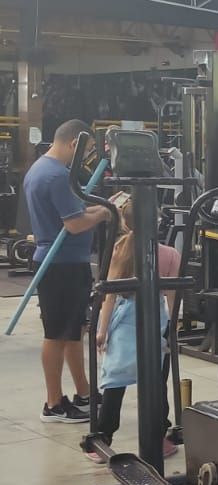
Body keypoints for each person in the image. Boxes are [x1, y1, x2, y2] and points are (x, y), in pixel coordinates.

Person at [25, 119, 113, 423]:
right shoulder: (58, 176)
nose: (86, 156)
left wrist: (102, 208)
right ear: (75, 144)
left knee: (73, 331)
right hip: (60, 265)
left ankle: (84, 392)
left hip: (66, 263)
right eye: (86, 150)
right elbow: (74, 224)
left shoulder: (41, 169)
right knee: (57, 334)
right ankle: (53, 404)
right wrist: (104, 213)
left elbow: (75, 211)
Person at [88, 194, 182, 463]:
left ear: (125, 223)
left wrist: (102, 330)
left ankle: (103, 438)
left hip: (124, 320)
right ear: (158, 220)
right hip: (155, 318)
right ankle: (159, 436)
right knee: (157, 381)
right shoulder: (170, 255)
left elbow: (110, 295)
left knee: (114, 382)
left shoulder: (119, 249)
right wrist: (172, 329)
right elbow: (173, 297)